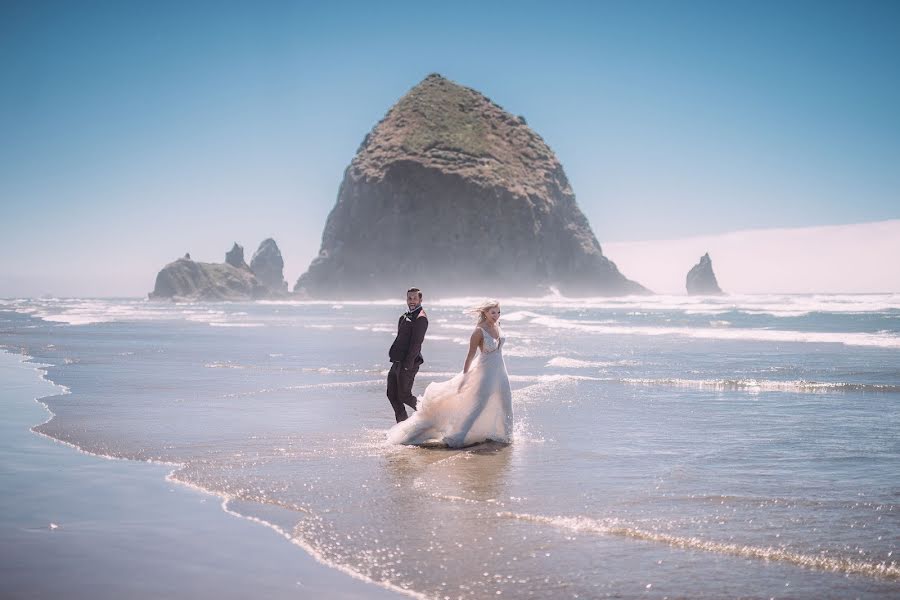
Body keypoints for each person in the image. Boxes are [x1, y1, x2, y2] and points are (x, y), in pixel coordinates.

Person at [387, 299, 512, 447]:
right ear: (485, 312)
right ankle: (458, 437)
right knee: (479, 405)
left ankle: (507, 435)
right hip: (485, 372)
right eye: (493, 312)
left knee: (506, 401)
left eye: (498, 312)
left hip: (501, 371)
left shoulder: (498, 325)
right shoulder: (479, 331)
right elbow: (470, 355)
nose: (496, 315)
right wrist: (465, 377)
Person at [387, 287, 428, 422]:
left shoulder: (421, 318)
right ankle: (402, 425)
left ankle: (429, 414)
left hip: (408, 363)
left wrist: (407, 365)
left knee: (404, 395)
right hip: (396, 361)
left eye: (415, 298)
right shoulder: (403, 317)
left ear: (420, 300)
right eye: (409, 298)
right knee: (391, 394)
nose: (412, 301)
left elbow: (416, 343)